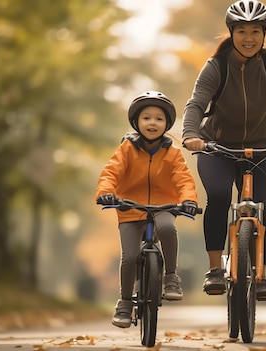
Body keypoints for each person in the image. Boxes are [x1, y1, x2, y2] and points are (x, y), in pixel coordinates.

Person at [182, 0, 266, 301]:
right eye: (241, 31)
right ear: (231, 32)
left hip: (261, 147)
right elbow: (196, 104)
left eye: (255, 31)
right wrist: (190, 134)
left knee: (260, 205)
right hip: (217, 147)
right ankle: (215, 269)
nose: (248, 38)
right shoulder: (216, 65)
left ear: (264, 34)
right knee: (220, 197)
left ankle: (261, 274)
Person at [96, 91, 199, 328]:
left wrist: (188, 200)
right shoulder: (126, 149)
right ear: (136, 122)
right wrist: (105, 193)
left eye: (159, 119)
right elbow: (110, 173)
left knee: (167, 228)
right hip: (129, 209)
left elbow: (184, 180)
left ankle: (171, 276)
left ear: (166, 124)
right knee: (130, 256)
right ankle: (124, 303)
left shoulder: (172, 153)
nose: (152, 123)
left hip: (163, 206)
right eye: (147, 118)